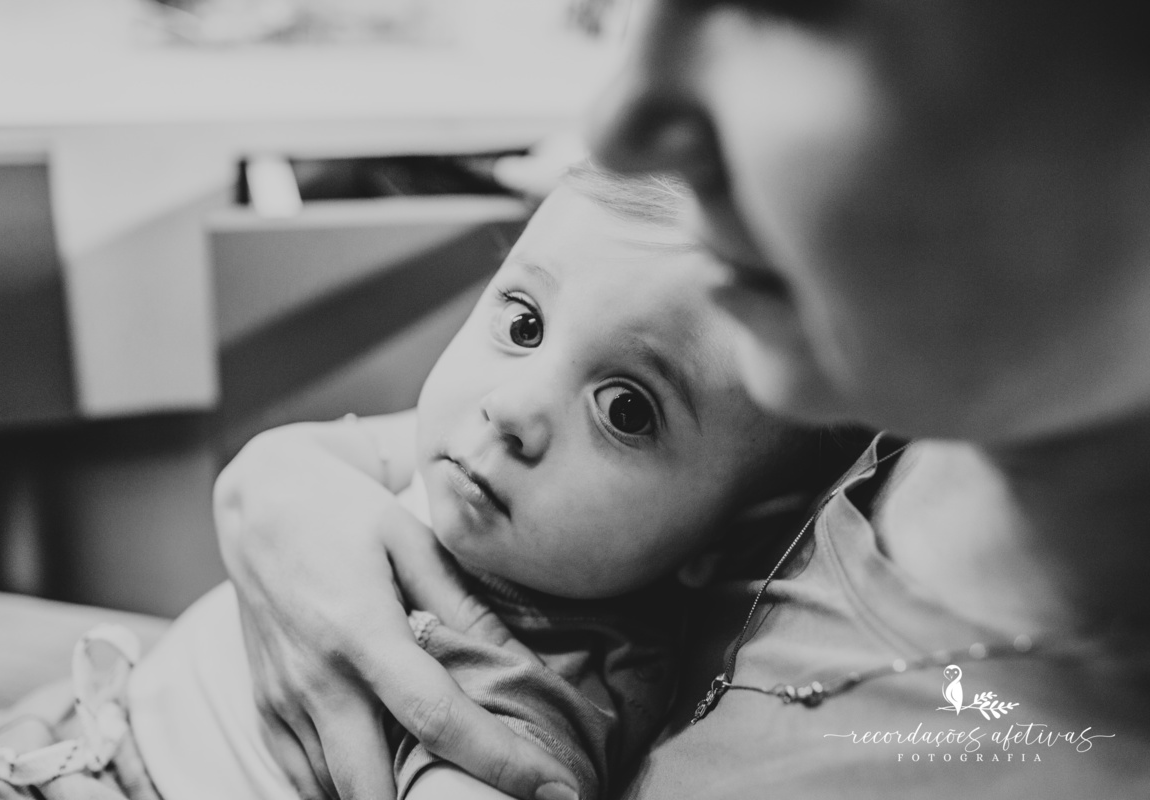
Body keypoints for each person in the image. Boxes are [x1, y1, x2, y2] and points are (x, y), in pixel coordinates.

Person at [211, 1, 1150, 798]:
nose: (617, 117)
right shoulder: (856, 382)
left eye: (792, 9)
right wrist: (279, 489)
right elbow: (333, 469)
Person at [0, 165, 844, 800]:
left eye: (625, 410)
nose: (511, 407)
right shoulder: (494, 499)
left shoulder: (532, 672)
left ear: (720, 542)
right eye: (524, 322)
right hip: (75, 716)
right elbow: (318, 463)